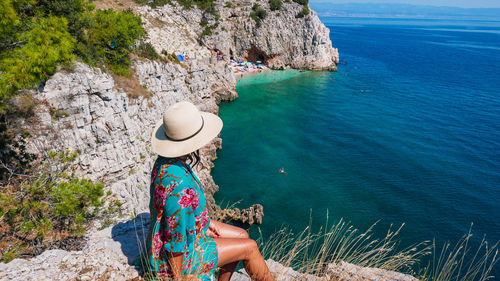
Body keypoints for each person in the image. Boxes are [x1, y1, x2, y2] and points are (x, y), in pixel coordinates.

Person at [145, 101, 274, 281]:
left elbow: (178, 214)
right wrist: (179, 278)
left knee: (242, 235)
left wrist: (204, 223)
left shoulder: (164, 162)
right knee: (250, 247)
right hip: (176, 261)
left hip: (187, 236)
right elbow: (176, 238)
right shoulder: (181, 185)